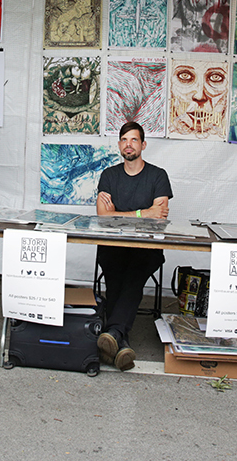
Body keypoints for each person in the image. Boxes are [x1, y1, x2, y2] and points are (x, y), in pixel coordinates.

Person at [94, 121, 172, 371]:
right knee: (119, 274)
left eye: (134, 140)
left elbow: (159, 216)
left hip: (146, 248)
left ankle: (113, 333)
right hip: (113, 246)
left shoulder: (157, 175)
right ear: (119, 145)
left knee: (133, 273)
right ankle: (119, 339)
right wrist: (142, 213)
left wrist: (121, 213)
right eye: (124, 140)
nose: (129, 144)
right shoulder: (109, 175)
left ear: (143, 145)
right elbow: (104, 217)